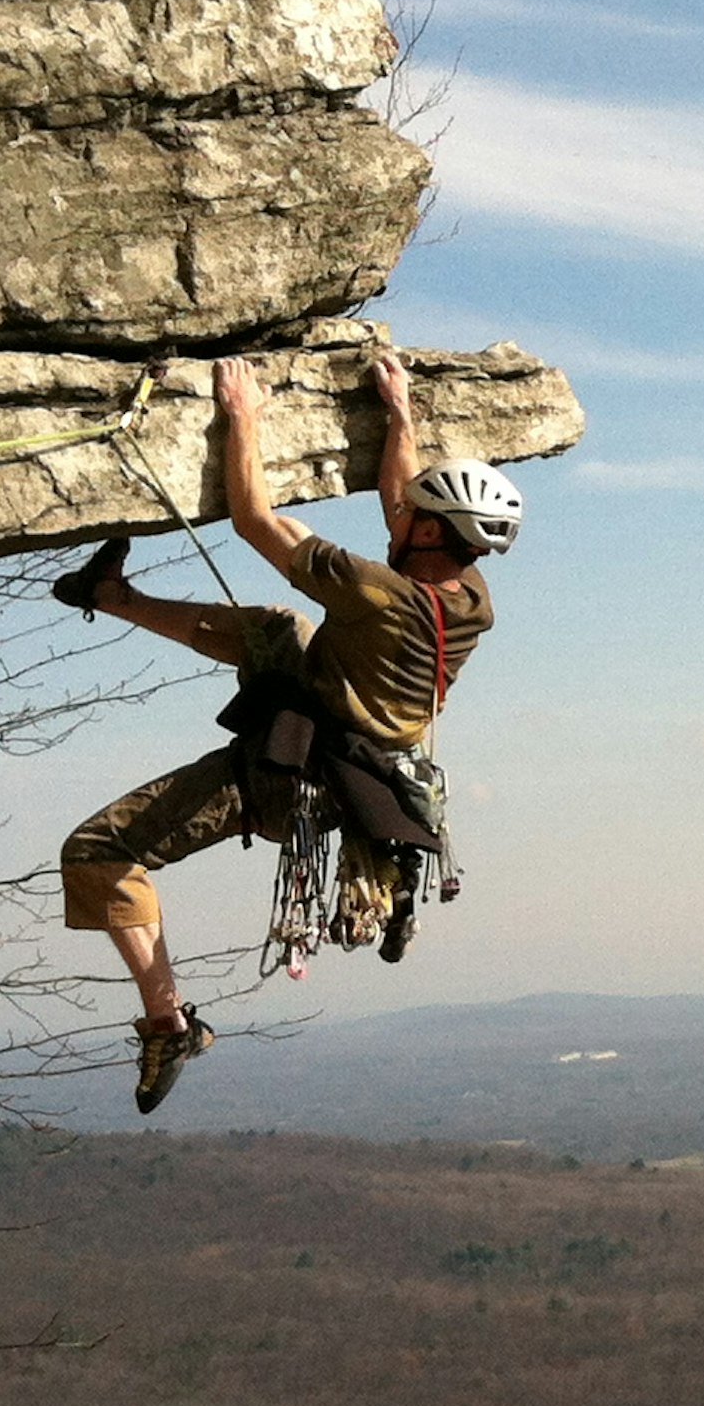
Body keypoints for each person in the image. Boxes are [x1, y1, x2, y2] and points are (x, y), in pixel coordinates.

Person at [51, 350, 522, 1112]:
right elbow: (398, 496)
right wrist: (397, 412)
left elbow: (253, 520)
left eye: (414, 517)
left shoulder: (375, 592)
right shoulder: (470, 595)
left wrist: (244, 417)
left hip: (292, 782)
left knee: (98, 851)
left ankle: (167, 1023)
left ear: (433, 531)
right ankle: (109, 593)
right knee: (280, 629)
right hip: (370, 759)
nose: (398, 517)